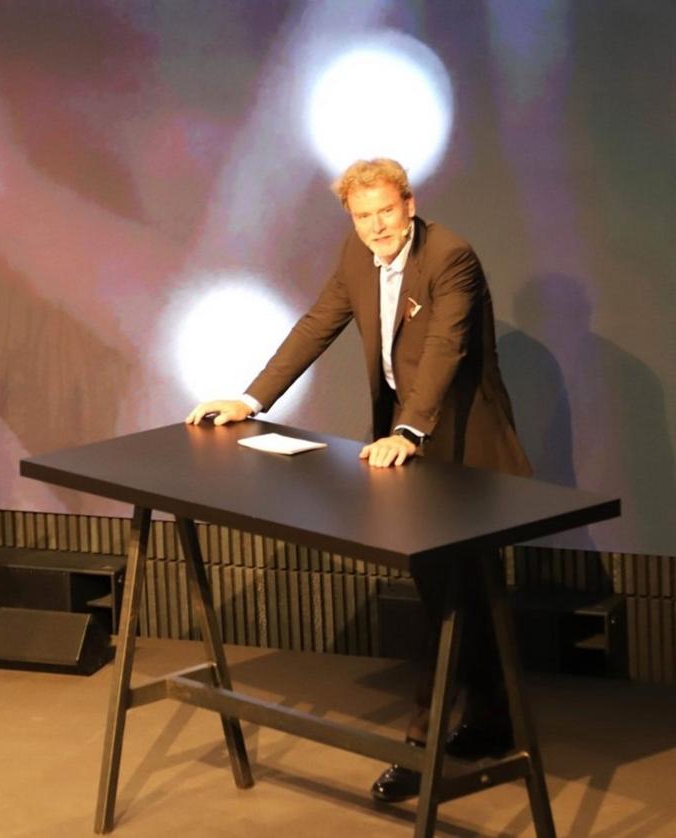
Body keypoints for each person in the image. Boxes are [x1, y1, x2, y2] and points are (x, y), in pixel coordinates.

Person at [185, 157, 531, 803]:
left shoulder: (451, 257)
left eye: (386, 212)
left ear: (409, 204)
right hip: (407, 443)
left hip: (462, 446)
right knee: (451, 596)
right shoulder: (357, 254)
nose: (377, 227)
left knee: (456, 600)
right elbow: (317, 324)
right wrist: (250, 400)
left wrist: (409, 430)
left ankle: (419, 750)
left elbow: (445, 349)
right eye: (363, 216)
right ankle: (492, 724)